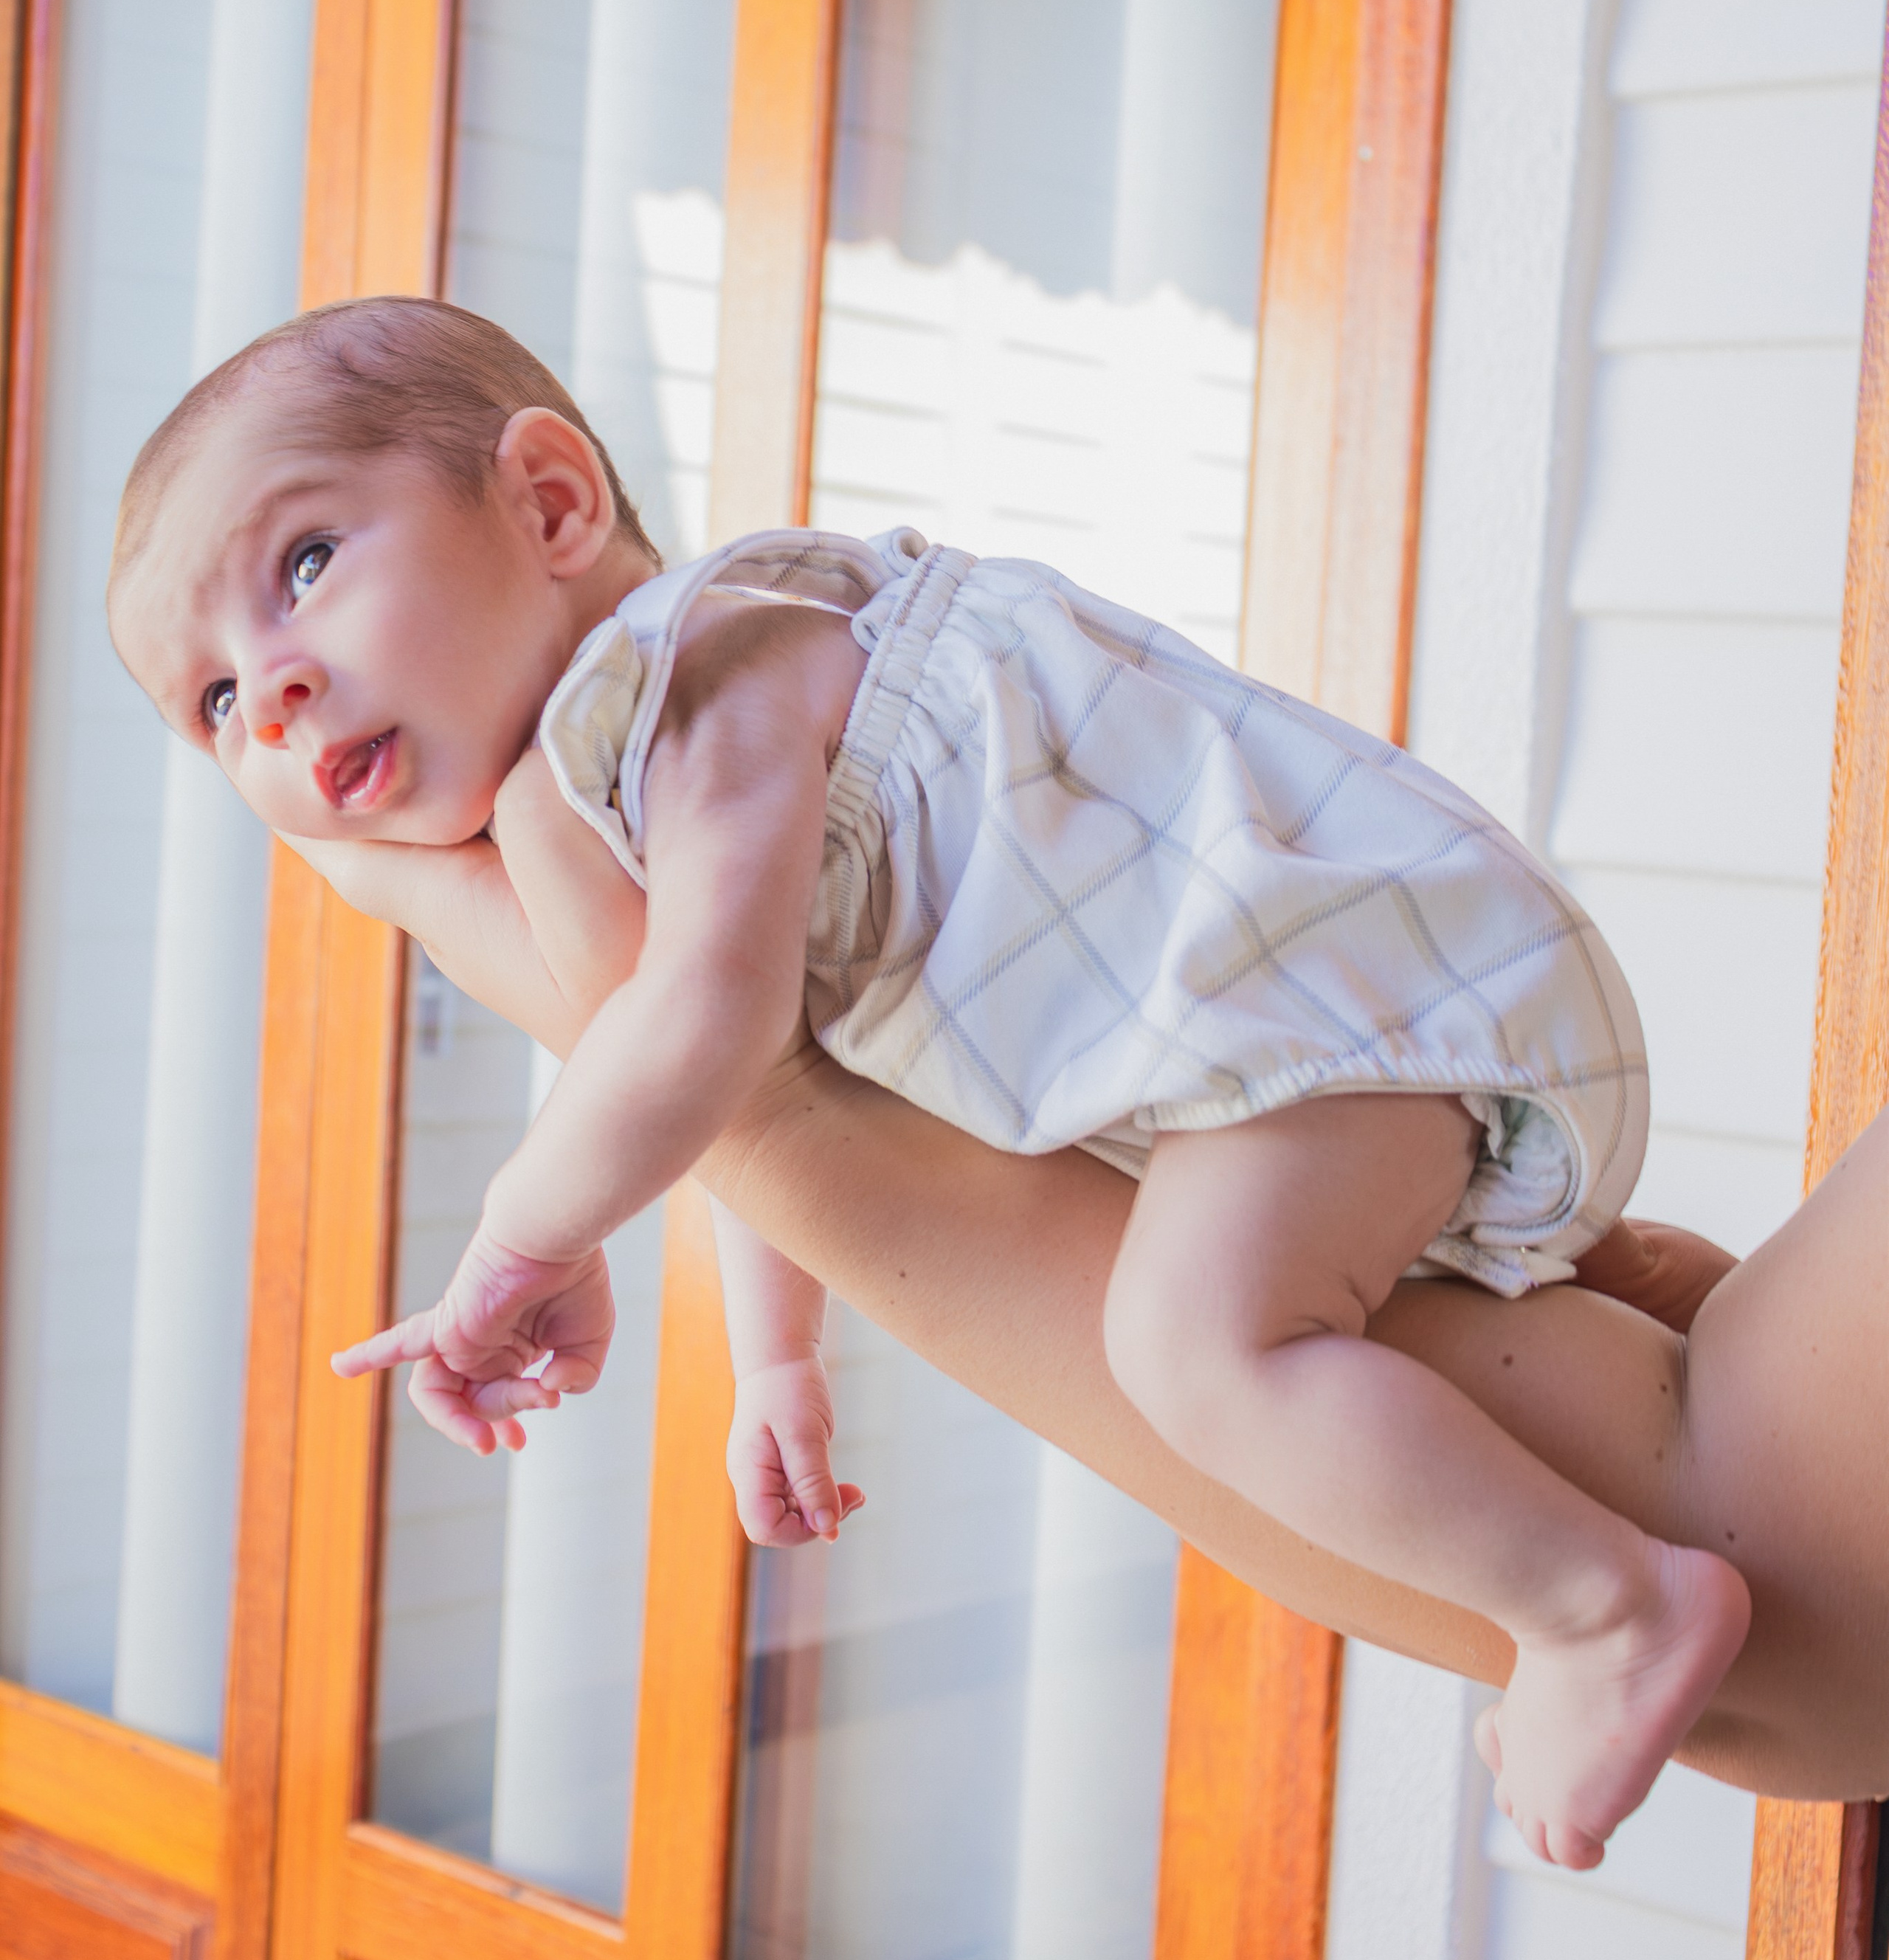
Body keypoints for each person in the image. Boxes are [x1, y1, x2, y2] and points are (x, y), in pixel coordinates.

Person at [109, 296, 1758, 1870]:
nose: (274, 688)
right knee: (1471, 1303)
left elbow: (707, 1023)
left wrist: (521, 1240)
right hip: (1319, 1024)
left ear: (547, 498)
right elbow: (725, 1046)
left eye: (304, 566)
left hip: (1328, 1006)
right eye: (214, 702)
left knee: (1193, 1345)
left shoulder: (702, 675)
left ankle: (1602, 1610)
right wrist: (775, 1359)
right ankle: (1680, 1306)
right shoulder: (644, 774)